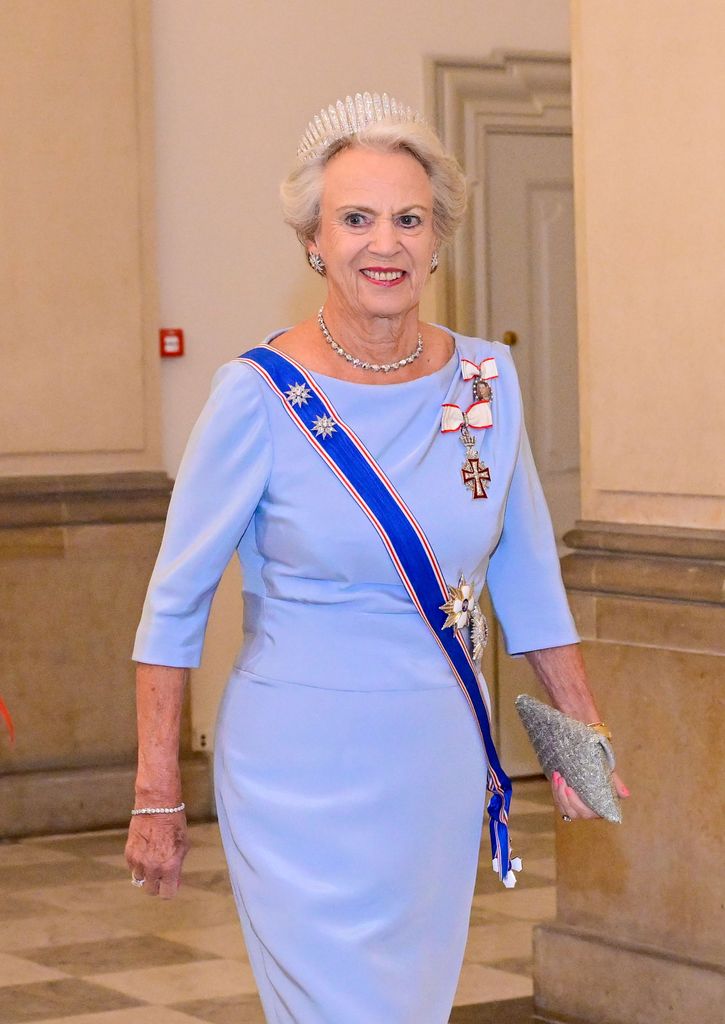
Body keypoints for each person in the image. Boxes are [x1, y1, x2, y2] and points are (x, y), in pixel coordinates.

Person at [125, 92, 629, 1024]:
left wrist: (579, 734)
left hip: (433, 752)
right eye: (354, 219)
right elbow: (174, 603)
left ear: (439, 237)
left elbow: (526, 573)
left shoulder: (486, 379)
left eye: (408, 218)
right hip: (294, 762)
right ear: (313, 241)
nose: (383, 242)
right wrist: (157, 794)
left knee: (408, 1004)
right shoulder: (255, 396)